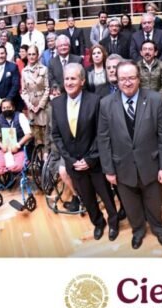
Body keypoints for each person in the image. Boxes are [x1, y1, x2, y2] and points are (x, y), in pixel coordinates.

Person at [98, 61, 162, 249]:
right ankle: (138, 231)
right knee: (131, 206)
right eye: (123, 79)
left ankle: (158, 229)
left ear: (139, 78)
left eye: (131, 78)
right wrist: (108, 170)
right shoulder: (106, 104)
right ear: (117, 80)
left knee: (154, 203)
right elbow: (103, 139)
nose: (127, 82)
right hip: (122, 167)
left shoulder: (155, 99)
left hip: (151, 165)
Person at [51, 63, 120, 242]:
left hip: (95, 162)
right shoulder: (56, 104)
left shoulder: (95, 101)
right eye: (66, 78)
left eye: (73, 78)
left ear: (82, 81)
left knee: (106, 196)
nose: (69, 82)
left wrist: (90, 159)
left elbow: (101, 133)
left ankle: (113, 223)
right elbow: (56, 135)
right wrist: (70, 159)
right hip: (74, 164)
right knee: (87, 199)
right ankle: (98, 223)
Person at [0, 98, 32, 177]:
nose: (6, 109)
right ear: (1, 109)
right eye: (4, 108)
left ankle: (11, 168)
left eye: (8, 107)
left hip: (19, 149)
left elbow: (28, 134)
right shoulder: (0, 118)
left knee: (16, 167)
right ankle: (8, 170)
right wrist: (1, 146)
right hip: (5, 149)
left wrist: (17, 145)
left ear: (13, 108)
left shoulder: (20, 116)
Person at [20, 45, 50, 153]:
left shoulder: (44, 69)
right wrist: (30, 106)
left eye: (33, 54)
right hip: (32, 106)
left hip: (43, 105)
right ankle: (39, 157)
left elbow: (47, 88)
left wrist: (40, 105)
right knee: (36, 135)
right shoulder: (24, 71)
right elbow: (23, 91)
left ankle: (47, 156)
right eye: (29, 54)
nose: (31, 56)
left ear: (37, 55)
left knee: (46, 133)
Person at [0, 46, 21, 111]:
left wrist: (7, 100)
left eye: (2, 53)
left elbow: (16, 85)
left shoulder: (13, 67)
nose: (0, 56)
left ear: (6, 54)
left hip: (13, 105)